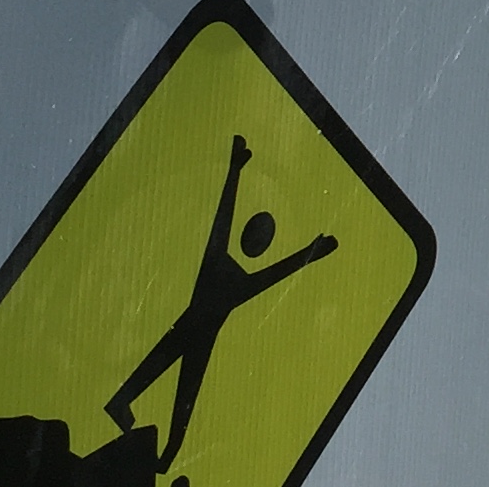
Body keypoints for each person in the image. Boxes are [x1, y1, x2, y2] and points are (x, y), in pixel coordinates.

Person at [105, 135, 338, 469]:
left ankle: (162, 444)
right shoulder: (224, 269)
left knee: (183, 392)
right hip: (194, 330)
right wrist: (234, 169)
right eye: (258, 235)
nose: (258, 240)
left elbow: (271, 269)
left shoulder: (229, 274)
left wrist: (310, 254)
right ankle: (149, 431)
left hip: (197, 333)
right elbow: (224, 218)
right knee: (176, 386)